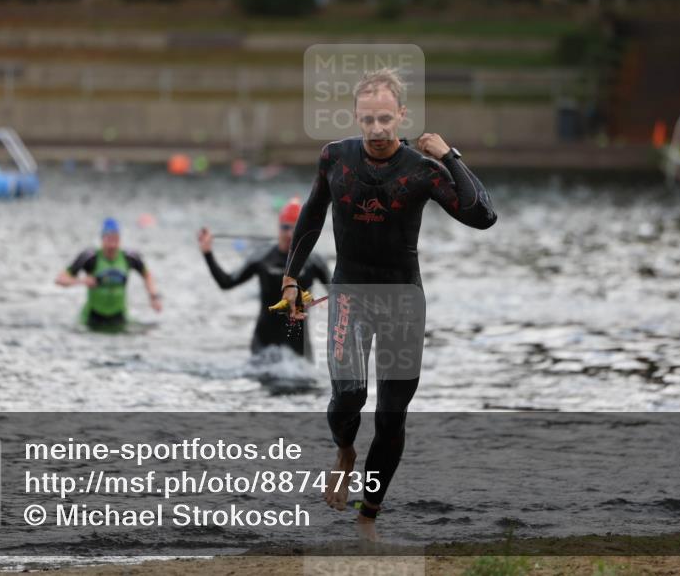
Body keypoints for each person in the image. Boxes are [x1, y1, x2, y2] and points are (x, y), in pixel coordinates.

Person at [278, 68, 496, 541]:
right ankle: (344, 450)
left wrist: (451, 156)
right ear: (356, 118)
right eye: (367, 120)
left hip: (402, 301)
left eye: (385, 119)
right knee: (349, 397)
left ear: (401, 116)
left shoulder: (422, 170)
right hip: (351, 295)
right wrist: (292, 278)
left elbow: (483, 216)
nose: (376, 130)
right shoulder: (335, 158)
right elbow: (313, 215)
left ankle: (367, 518)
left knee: (391, 415)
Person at [198, 199, 330, 359]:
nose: (289, 234)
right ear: (278, 228)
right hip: (264, 344)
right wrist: (207, 253)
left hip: (299, 349)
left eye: (295, 228)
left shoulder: (314, 261)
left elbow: (339, 295)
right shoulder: (263, 257)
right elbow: (226, 282)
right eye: (285, 227)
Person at [56, 218, 162, 331]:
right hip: (92, 317)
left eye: (115, 240)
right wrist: (82, 281)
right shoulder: (89, 257)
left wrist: (153, 297)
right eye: (109, 239)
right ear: (102, 239)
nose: (112, 245)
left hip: (119, 315)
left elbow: (147, 275)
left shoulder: (130, 257)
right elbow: (60, 279)